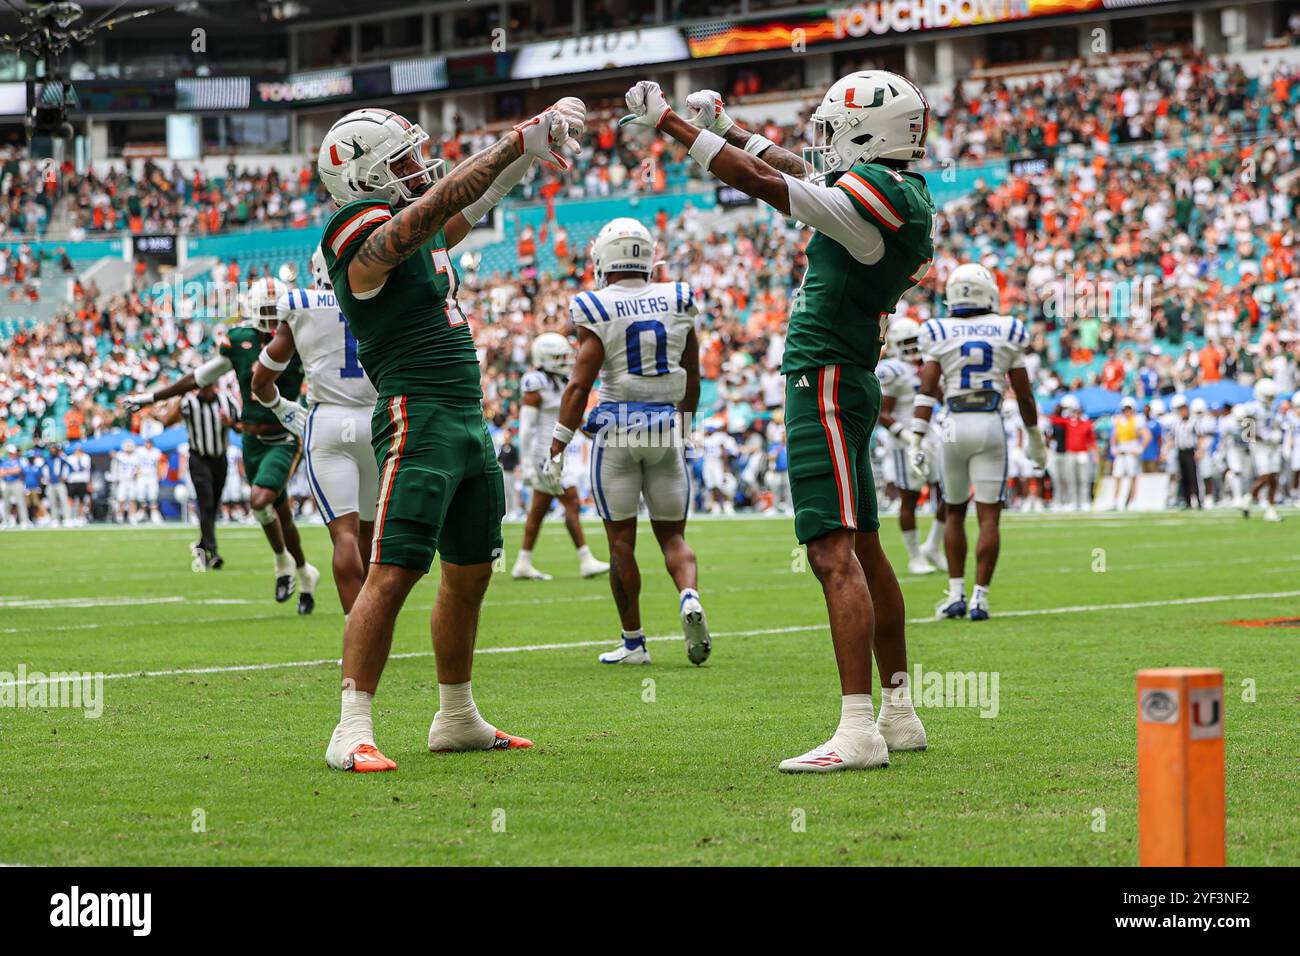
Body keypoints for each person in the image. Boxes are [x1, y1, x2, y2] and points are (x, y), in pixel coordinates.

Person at [623, 74, 928, 770]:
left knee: (830, 551)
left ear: (870, 133)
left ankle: (858, 729)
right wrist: (729, 128)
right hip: (845, 375)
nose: (822, 140)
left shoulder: (880, 195)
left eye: (835, 127)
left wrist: (671, 123)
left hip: (823, 375)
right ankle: (899, 710)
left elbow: (768, 182)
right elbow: (803, 174)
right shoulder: (897, 192)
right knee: (867, 549)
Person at [314, 100, 586, 771]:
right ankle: (350, 725)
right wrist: (512, 139)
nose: (416, 167)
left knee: (470, 573)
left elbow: (465, 207)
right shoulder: (355, 232)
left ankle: (457, 715)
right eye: (400, 161)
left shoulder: (418, 226)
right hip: (418, 413)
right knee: (394, 571)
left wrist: (526, 155)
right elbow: (420, 220)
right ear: (361, 176)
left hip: (466, 414)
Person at [542, 217, 709, 666]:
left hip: (616, 434)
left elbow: (579, 385)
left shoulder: (596, 306)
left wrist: (557, 445)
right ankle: (688, 594)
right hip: (665, 431)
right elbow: (692, 373)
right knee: (673, 536)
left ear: (604, 260)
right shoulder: (677, 298)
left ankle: (634, 642)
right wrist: (687, 427)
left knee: (621, 542)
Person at [123, 278, 321, 611]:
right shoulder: (240, 341)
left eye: (277, 312)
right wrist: (150, 397)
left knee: (259, 501)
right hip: (251, 440)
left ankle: (282, 564)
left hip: (285, 437)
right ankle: (302, 572)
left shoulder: (300, 338)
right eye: (267, 312)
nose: (273, 319)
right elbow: (200, 376)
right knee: (282, 516)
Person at [910, 263, 1047, 621]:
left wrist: (916, 437)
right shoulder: (1007, 329)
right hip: (989, 423)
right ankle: (979, 600)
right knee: (989, 517)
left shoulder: (938, 330)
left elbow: (926, 391)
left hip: (953, 423)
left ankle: (955, 593)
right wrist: (1034, 437)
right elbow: (1025, 393)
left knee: (953, 511)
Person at [251, 246, 381, 616]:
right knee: (369, 537)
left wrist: (281, 407)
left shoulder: (300, 303)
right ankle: (373, 627)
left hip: (326, 422)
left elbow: (260, 381)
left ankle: (357, 635)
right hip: (376, 422)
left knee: (343, 534)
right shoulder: (382, 296)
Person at [512, 332, 610, 582]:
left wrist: (596, 435)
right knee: (573, 502)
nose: (565, 360)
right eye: (558, 356)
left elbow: (573, 420)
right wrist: (527, 465)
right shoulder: (535, 382)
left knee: (538, 510)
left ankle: (523, 562)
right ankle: (586, 559)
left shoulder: (563, 380)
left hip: (557, 452)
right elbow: (526, 427)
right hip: (543, 454)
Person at [876, 317, 947, 573]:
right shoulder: (892, 369)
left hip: (931, 437)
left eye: (914, 341)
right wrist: (909, 438)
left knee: (949, 493)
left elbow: (939, 396)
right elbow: (882, 413)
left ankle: (934, 545)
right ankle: (915, 555)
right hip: (905, 441)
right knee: (910, 497)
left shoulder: (925, 365)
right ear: (895, 344)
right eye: (906, 342)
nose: (912, 347)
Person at [163, 383, 237, 568]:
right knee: (207, 503)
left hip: (220, 458)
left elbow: (241, 426)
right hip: (199, 459)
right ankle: (212, 552)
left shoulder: (226, 400)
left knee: (214, 505)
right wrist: (179, 397)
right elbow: (168, 421)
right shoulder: (189, 402)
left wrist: (231, 423)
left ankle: (202, 545)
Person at [1109, 398, 1150, 511]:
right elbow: (1114, 436)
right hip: (1121, 451)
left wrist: (1140, 447)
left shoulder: (1137, 420)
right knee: (1117, 476)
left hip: (1132, 451)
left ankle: (1133, 501)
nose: (1127, 411)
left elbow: (1146, 435)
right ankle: (1115, 501)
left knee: (1133, 477)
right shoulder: (1118, 420)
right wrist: (1113, 447)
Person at [1, 445, 26, 527]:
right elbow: (1, 473)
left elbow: (18, 470)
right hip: (7, 483)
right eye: (10, 453)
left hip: (17, 482)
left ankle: (24, 521)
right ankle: (5, 521)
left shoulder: (19, 460)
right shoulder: (5, 461)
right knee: (6, 503)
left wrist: (7, 471)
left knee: (20, 502)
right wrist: (12, 471)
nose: (12, 454)